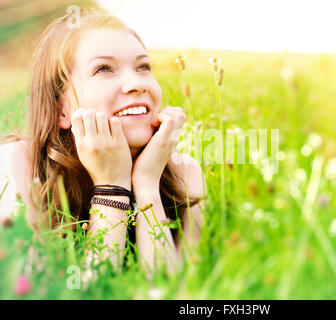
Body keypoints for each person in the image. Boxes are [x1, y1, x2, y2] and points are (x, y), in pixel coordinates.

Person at [0, 7, 206, 275]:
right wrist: (112, 187)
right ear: (62, 110)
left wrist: (146, 185)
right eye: (103, 69)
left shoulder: (185, 174)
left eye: (143, 67)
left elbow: (170, 290)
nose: (136, 83)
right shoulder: (18, 165)